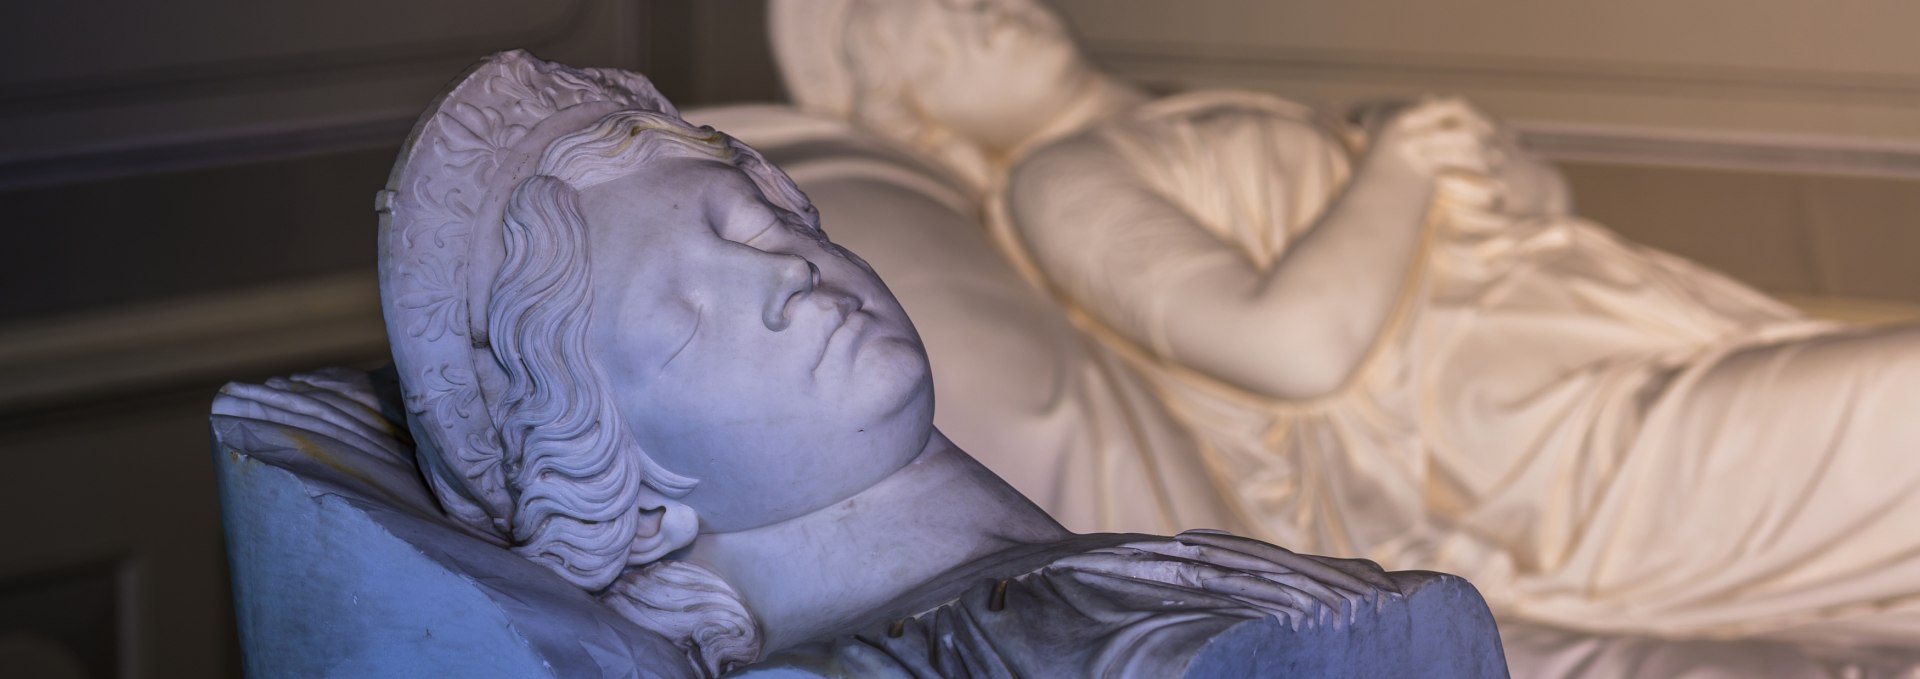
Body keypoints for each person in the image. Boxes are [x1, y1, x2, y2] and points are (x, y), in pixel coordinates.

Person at [771, 0, 1920, 674]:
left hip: (1604, 362)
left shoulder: (1191, 114)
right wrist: (1403, 165)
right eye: (909, 24)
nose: (967, 9)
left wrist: (1471, 169)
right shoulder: (1067, 183)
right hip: (1537, 457)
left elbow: (1517, 233)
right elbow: (1293, 351)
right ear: (906, 116)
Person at [353, 50, 1504, 678]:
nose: (785, 271)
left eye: (763, 223)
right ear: (633, 500)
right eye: (681, 318)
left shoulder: (1125, 590)